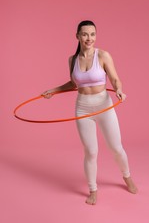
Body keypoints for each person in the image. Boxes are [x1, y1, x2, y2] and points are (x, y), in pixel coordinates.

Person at [42, 20, 138, 205]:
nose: (89, 38)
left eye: (92, 34)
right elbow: (74, 84)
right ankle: (93, 189)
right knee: (91, 151)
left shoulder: (103, 55)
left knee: (116, 148)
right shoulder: (72, 60)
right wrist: (53, 91)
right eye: (85, 34)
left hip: (103, 104)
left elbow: (115, 79)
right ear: (77, 36)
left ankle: (127, 177)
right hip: (82, 107)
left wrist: (118, 89)